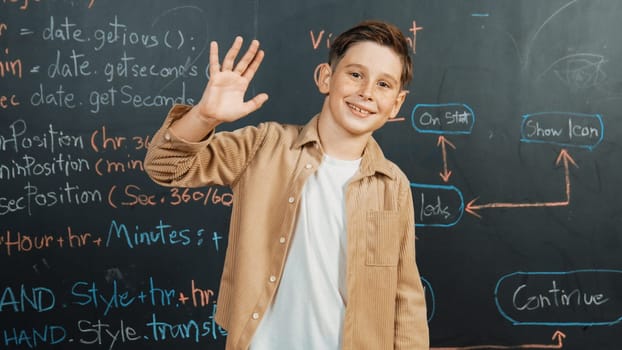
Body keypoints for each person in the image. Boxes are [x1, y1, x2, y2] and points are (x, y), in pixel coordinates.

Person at [144, 20, 429, 350]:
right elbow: (165, 166)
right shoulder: (263, 146)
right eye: (355, 74)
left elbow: (404, 295)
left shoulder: (392, 185)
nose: (366, 92)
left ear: (396, 103)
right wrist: (205, 117)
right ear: (325, 77)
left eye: (383, 84)